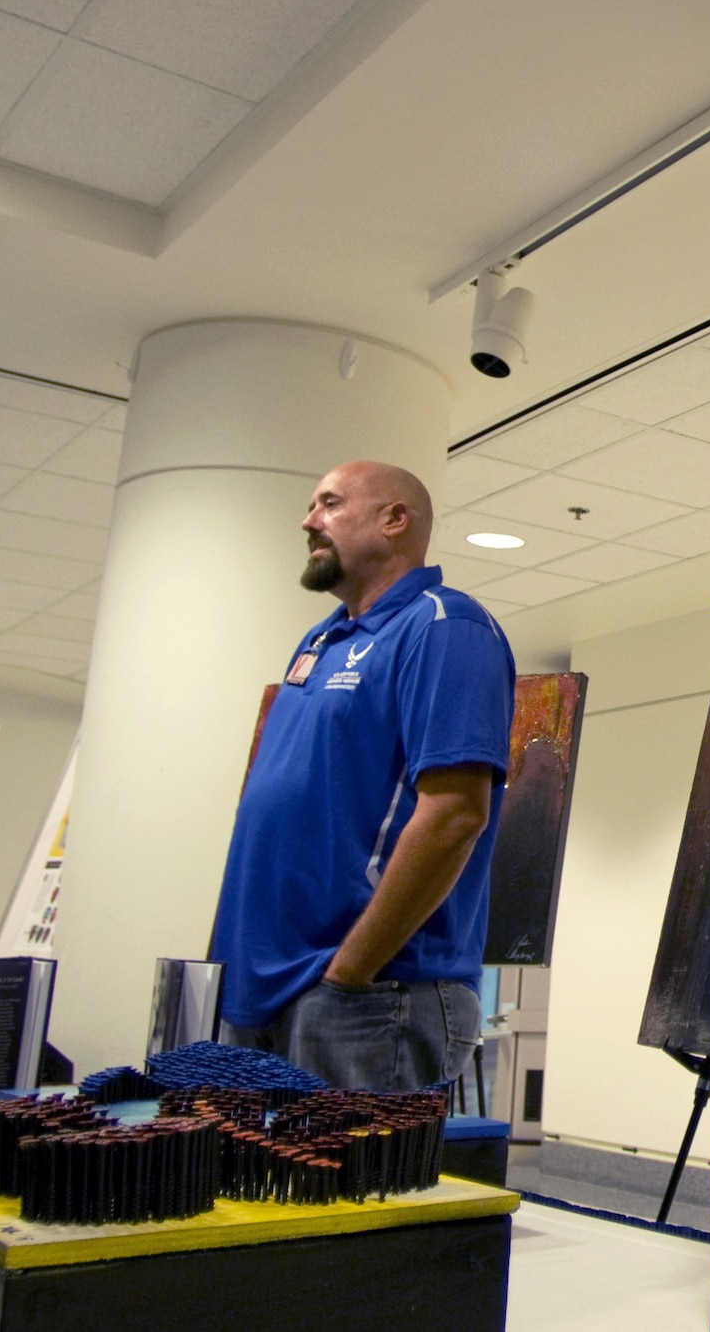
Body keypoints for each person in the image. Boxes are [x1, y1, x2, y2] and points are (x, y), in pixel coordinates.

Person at [212, 460, 516, 1092]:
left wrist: (349, 974)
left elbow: (455, 815)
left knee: (346, 1194)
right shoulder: (320, 642)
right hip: (264, 987)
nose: (308, 521)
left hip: (366, 996)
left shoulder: (444, 626)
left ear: (393, 520)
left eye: (328, 504)